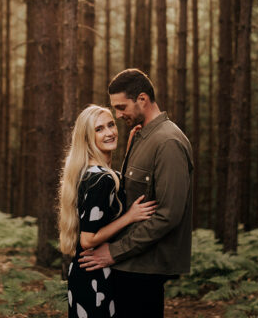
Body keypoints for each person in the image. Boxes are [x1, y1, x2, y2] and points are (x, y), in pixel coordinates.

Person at [79, 69, 194, 318]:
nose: (118, 115)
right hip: (130, 265)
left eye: (121, 107)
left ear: (142, 99)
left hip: (145, 267)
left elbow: (168, 215)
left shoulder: (168, 142)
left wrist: (114, 251)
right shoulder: (142, 135)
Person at [59, 104, 158, 318]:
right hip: (94, 277)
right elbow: (88, 239)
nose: (110, 132)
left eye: (111, 125)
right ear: (87, 138)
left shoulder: (90, 172)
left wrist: (131, 147)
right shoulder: (101, 180)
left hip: (84, 274)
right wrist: (130, 217)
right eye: (99, 129)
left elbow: (115, 185)